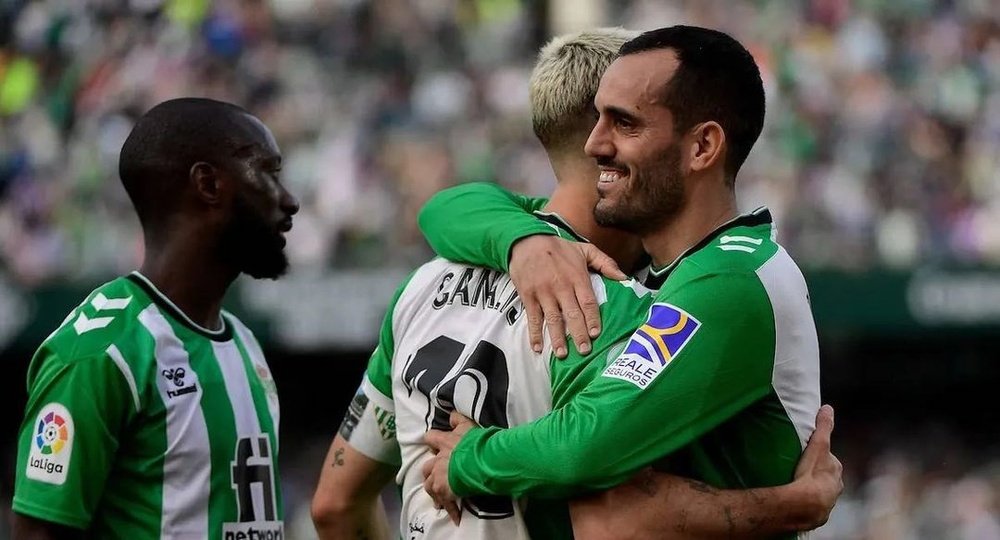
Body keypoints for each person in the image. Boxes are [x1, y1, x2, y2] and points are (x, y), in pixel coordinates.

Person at [313, 29, 840, 540]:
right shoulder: (604, 304)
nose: (597, 144)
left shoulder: (424, 284)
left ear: (702, 146)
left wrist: (471, 459)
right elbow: (611, 518)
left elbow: (334, 505)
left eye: (624, 122)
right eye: (598, 119)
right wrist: (789, 506)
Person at [12, 98, 299, 539]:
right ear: (208, 183)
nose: (289, 200)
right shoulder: (101, 352)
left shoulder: (243, 341)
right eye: (268, 172)